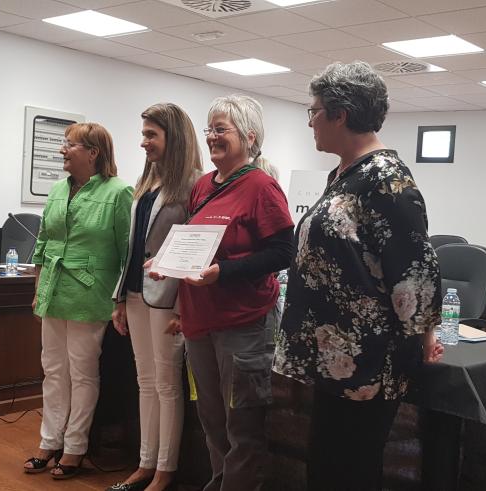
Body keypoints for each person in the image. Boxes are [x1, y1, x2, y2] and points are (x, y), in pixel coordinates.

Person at [273, 61, 443, 490]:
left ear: (340, 114)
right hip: (334, 357)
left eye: (313, 111)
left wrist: (424, 337)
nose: (310, 121)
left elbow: (415, 270)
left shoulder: (387, 181)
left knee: (350, 471)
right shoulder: (345, 175)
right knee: (326, 468)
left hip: (367, 362)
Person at [153, 94, 295, 491]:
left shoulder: (262, 187)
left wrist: (224, 273)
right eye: (210, 129)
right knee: (213, 424)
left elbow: (284, 252)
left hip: (243, 326)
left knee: (242, 427)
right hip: (201, 325)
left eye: (222, 129)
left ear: (249, 136)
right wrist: (166, 263)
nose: (213, 137)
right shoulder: (201, 186)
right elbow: (195, 244)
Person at [24, 122, 133, 480]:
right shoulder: (57, 189)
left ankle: (74, 447)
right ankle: (48, 440)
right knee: (53, 371)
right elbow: (43, 242)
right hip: (53, 292)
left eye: (69, 145)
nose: (62, 151)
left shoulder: (119, 192)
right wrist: (39, 291)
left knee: (82, 374)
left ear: (93, 152)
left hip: (91, 294)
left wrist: (121, 300)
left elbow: (126, 253)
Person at [107, 103, 203, 491]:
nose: (143, 141)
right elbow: (131, 249)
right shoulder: (145, 184)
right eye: (144, 134)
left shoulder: (195, 184)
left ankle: (165, 470)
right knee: (145, 381)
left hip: (168, 298)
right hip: (134, 293)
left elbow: (195, 250)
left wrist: (186, 308)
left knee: (166, 384)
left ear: (173, 137)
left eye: (151, 135)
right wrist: (118, 300)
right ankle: (145, 464)